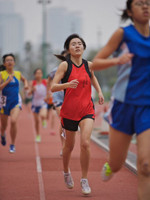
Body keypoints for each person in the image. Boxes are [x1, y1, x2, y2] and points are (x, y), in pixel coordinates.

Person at [92, 1, 150, 199]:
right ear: (129, 11)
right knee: (117, 164)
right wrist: (117, 60)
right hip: (124, 105)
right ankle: (111, 165)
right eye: (140, 3)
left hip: (147, 107)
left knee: (146, 165)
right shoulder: (123, 34)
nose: (145, 7)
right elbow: (96, 63)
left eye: (148, 3)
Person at [51, 34, 104, 195]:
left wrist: (100, 92)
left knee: (86, 143)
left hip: (87, 109)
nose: (77, 46)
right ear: (69, 49)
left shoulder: (89, 65)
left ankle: (84, 179)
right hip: (69, 111)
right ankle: (66, 171)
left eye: (79, 43)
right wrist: (66, 85)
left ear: (84, 47)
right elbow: (53, 87)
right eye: (73, 44)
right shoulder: (64, 66)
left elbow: (93, 78)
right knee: (69, 146)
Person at [0, 53, 28, 153]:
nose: (10, 62)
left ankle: (12, 144)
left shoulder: (18, 73)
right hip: (4, 103)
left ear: (14, 62)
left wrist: (25, 85)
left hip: (15, 102)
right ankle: (2, 134)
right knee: (3, 126)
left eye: (11, 60)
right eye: (7, 60)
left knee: (13, 121)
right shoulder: (2, 74)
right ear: (4, 63)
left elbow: (25, 80)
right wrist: (7, 81)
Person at [46, 50, 68, 156]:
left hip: (70, 98)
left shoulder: (74, 69)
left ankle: (66, 145)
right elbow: (49, 80)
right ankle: (63, 147)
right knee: (63, 120)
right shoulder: (56, 70)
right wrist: (48, 93)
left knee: (67, 124)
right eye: (64, 57)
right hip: (58, 98)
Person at [29, 68, 48, 143]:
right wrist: (31, 90)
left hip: (43, 103)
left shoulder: (45, 82)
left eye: (40, 73)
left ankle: (43, 120)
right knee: (36, 121)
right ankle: (38, 135)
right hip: (35, 104)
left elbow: (49, 90)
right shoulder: (32, 83)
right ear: (34, 75)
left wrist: (48, 96)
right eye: (37, 73)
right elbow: (28, 94)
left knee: (43, 115)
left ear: (42, 75)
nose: (39, 75)